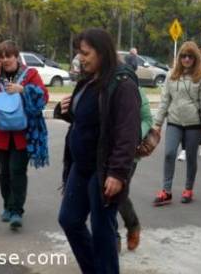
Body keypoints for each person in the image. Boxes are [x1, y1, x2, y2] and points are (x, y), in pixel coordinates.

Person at [57, 28, 140, 274]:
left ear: (102, 52)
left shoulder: (122, 83)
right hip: (80, 167)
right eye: (78, 53)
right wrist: (65, 110)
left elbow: (128, 132)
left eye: (85, 53)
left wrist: (117, 172)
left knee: (103, 232)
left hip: (103, 170)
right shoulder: (88, 79)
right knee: (69, 220)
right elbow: (84, 116)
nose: (80, 58)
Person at [0, 40, 48, 230]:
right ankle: (7, 206)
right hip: (0, 132)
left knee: (17, 171)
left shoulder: (30, 74)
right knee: (4, 172)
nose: (5, 59)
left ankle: (17, 211)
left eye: (8, 56)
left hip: (22, 134)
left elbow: (44, 96)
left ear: (16, 56)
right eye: (1, 56)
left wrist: (23, 89)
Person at [152, 41, 201, 206]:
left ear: (196, 59)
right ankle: (166, 191)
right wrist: (157, 123)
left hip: (194, 123)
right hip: (174, 121)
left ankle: (188, 189)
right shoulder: (171, 75)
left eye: (190, 57)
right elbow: (165, 100)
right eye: (183, 56)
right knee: (169, 153)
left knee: (191, 157)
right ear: (179, 58)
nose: (186, 59)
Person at [116, 87, 153, 252]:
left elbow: (147, 119)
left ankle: (132, 225)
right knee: (102, 195)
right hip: (102, 150)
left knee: (118, 192)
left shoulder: (133, 88)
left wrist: (134, 135)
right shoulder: (96, 83)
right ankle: (112, 237)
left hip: (128, 151)